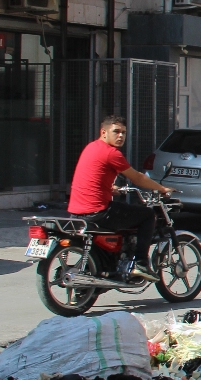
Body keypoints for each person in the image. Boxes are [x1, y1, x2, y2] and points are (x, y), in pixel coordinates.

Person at [67, 115, 172, 277]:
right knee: (147, 215)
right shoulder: (111, 153)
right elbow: (137, 178)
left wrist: (110, 188)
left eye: (123, 132)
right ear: (103, 132)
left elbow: (92, 178)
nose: (121, 136)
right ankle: (141, 263)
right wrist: (162, 189)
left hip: (77, 211)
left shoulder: (91, 147)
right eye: (116, 131)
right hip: (97, 211)